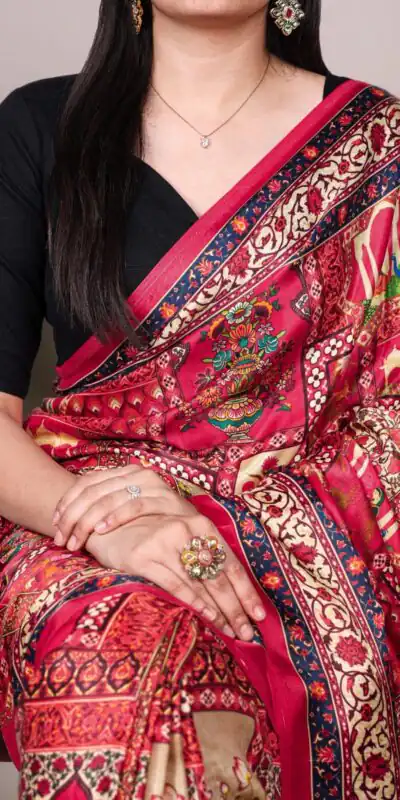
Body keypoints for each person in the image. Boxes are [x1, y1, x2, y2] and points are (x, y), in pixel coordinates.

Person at [0, 0, 399, 796]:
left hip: (318, 528)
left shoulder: (374, 146)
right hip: (80, 505)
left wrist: (246, 524)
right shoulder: (43, 126)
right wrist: (118, 526)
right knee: (111, 647)